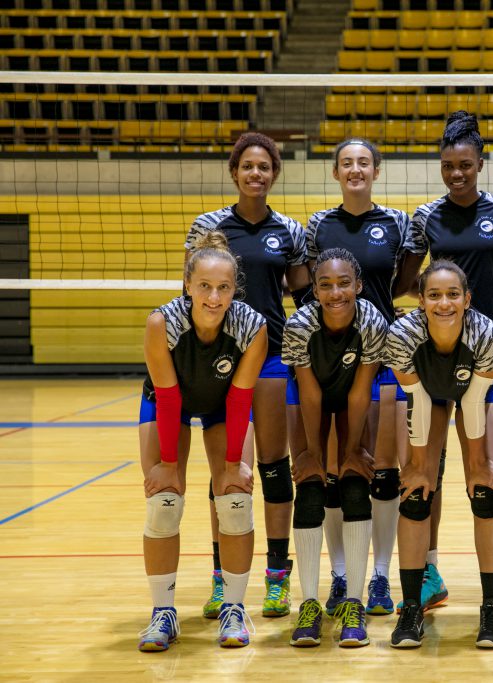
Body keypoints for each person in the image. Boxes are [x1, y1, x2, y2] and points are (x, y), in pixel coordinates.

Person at [186, 132, 309, 620]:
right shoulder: (209, 226)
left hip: (273, 355)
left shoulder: (290, 231)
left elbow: (304, 299)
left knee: (275, 466)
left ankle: (277, 577)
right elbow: (193, 292)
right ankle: (222, 578)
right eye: (248, 166)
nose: (256, 174)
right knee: (226, 472)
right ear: (234, 172)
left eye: (264, 167)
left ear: (274, 174)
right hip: (222, 358)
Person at [409, 111, 493, 612]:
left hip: (488, 357)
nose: (457, 174)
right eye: (448, 166)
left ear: (480, 162)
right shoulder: (424, 216)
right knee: (424, 469)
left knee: (488, 472)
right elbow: (405, 280)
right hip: (435, 357)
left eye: (465, 165)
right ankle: (429, 570)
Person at [305, 138, 424, 616]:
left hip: (386, 351)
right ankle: (339, 574)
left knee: (384, 468)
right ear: (336, 173)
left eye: (364, 162)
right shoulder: (319, 225)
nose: (355, 169)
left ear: (376, 170)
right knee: (335, 468)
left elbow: (404, 283)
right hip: (334, 357)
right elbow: (308, 286)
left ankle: (378, 577)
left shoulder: (397, 223)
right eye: (346, 163)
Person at [137, 231, 267, 651]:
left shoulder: (251, 326)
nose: (214, 297)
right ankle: (163, 613)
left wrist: (232, 463)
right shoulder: (163, 322)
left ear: (235, 289)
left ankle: (233, 609)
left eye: (224, 287)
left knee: (234, 498)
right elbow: (170, 396)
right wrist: (168, 463)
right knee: (164, 501)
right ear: (188, 285)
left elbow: (241, 396)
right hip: (167, 402)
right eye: (205, 286)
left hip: (223, 404)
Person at [385, 260, 493, 649]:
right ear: (420, 300)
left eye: (453, 294)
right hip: (426, 393)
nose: (444, 303)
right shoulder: (402, 336)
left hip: (479, 392)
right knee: (416, 490)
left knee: (486, 490)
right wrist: (420, 466)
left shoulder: (487, 335)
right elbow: (418, 400)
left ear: (468, 299)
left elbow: (473, 402)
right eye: (434, 295)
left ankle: (491, 607)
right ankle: (410, 608)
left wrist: (477, 465)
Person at [281, 248, 389, 647]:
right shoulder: (300, 326)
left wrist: (353, 451)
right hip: (308, 401)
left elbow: (360, 392)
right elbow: (310, 395)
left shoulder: (373, 321)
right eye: (325, 285)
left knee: (355, 481)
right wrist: (312, 452)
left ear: (358, 286)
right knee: (310, 486)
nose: (335, 292)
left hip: (354, 399)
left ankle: (355, 603)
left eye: (344, 283)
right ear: (314, 290)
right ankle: (309, 605)